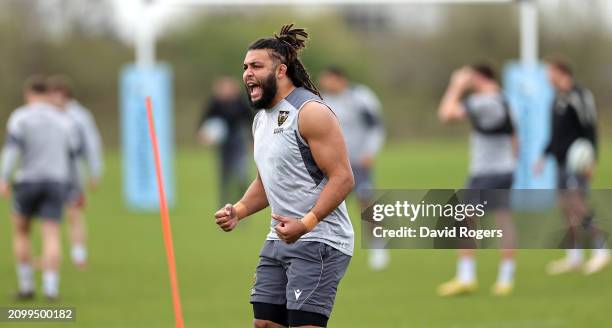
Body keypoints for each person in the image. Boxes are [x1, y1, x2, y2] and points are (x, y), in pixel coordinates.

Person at [214, 24, 354, 328]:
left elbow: (343, 178)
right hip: (279, 237)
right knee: (264, 323)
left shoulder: (310, 112)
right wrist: (237, 210)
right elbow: (267, 180)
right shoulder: (260, 120)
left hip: (320, 239)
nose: (247, 73)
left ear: (280, 71)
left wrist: (306, 223)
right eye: (245, 67)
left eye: (256, 66)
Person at [436, 63, 518, 296]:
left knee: (465, 220)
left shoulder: (484, 101)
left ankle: (466, 277)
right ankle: (506, 278)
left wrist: (456, 85)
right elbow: (515, 138)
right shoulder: (505, 99)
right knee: (504, 220)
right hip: (505, 168)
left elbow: (445, 114)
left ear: (478, 78)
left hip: (486, 172)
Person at [0, 75, 79, 300]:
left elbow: (11, 151)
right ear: (47, 94)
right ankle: (51, 289)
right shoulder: (64, 120)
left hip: (27, 181)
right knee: (51, 234)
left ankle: (26, 287)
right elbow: (73, 158)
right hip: (57, 181)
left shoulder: (20, 117)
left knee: (21, 232)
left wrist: (4, 177)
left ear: (28, 95)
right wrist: (76, 188)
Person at [534, 58, 610, 275]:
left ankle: (601, 250)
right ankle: (574, 256)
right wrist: (543, 155)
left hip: (576, 163)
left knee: (578, 204)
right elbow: (556, 133)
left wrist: (592, 159)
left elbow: (590, 128)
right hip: (559, 162)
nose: (547, 77)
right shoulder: (557, 98)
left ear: (561, 72)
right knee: (565, 207)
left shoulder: (580, 96)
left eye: (550, 73)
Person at [318, 66, 387, 270]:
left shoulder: (361, 96)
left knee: (366, 204)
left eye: (328, 80)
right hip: (334, 164)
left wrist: (370, 151)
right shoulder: (324, 101)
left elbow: (376, 126)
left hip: (359, 162)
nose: (325, 84)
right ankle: (328, 249)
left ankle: (377, 248)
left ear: (340, 79)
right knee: (327, 206)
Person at [47, 75, 104, 270]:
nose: (54, 100)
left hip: (73, 172)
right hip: (48, 171)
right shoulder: (44, 114)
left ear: (65, 96)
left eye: (57, 95)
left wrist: (95, 172)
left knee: (74, 213)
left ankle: (79, 255)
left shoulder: (80, 116)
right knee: (48, 217)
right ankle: (51, 256)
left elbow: (92, 143)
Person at [198, 76, 252, 206]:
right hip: (223, 143)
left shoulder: (240, 102)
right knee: (224, 175)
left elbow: (250, 120)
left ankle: (243, 203)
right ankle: (224, 205)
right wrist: (203, 134)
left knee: (241, 173)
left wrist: (253, 139)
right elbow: (205, 119)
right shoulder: (215, 103)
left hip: (238, 141)